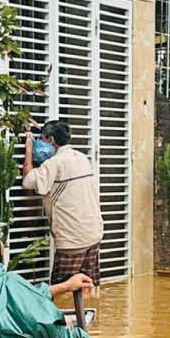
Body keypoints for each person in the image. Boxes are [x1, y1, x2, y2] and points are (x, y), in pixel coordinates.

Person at [21, 118, 103, 292]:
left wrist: (28, 148)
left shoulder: (54, 163)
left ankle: (64, 320)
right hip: (93, 235)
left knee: (62, 291)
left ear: (51, 140)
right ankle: (88, 318)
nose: (38, 144)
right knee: (87, 289)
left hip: (72, 240)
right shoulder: (81, 158)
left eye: (41, 139)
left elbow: (28, 181)